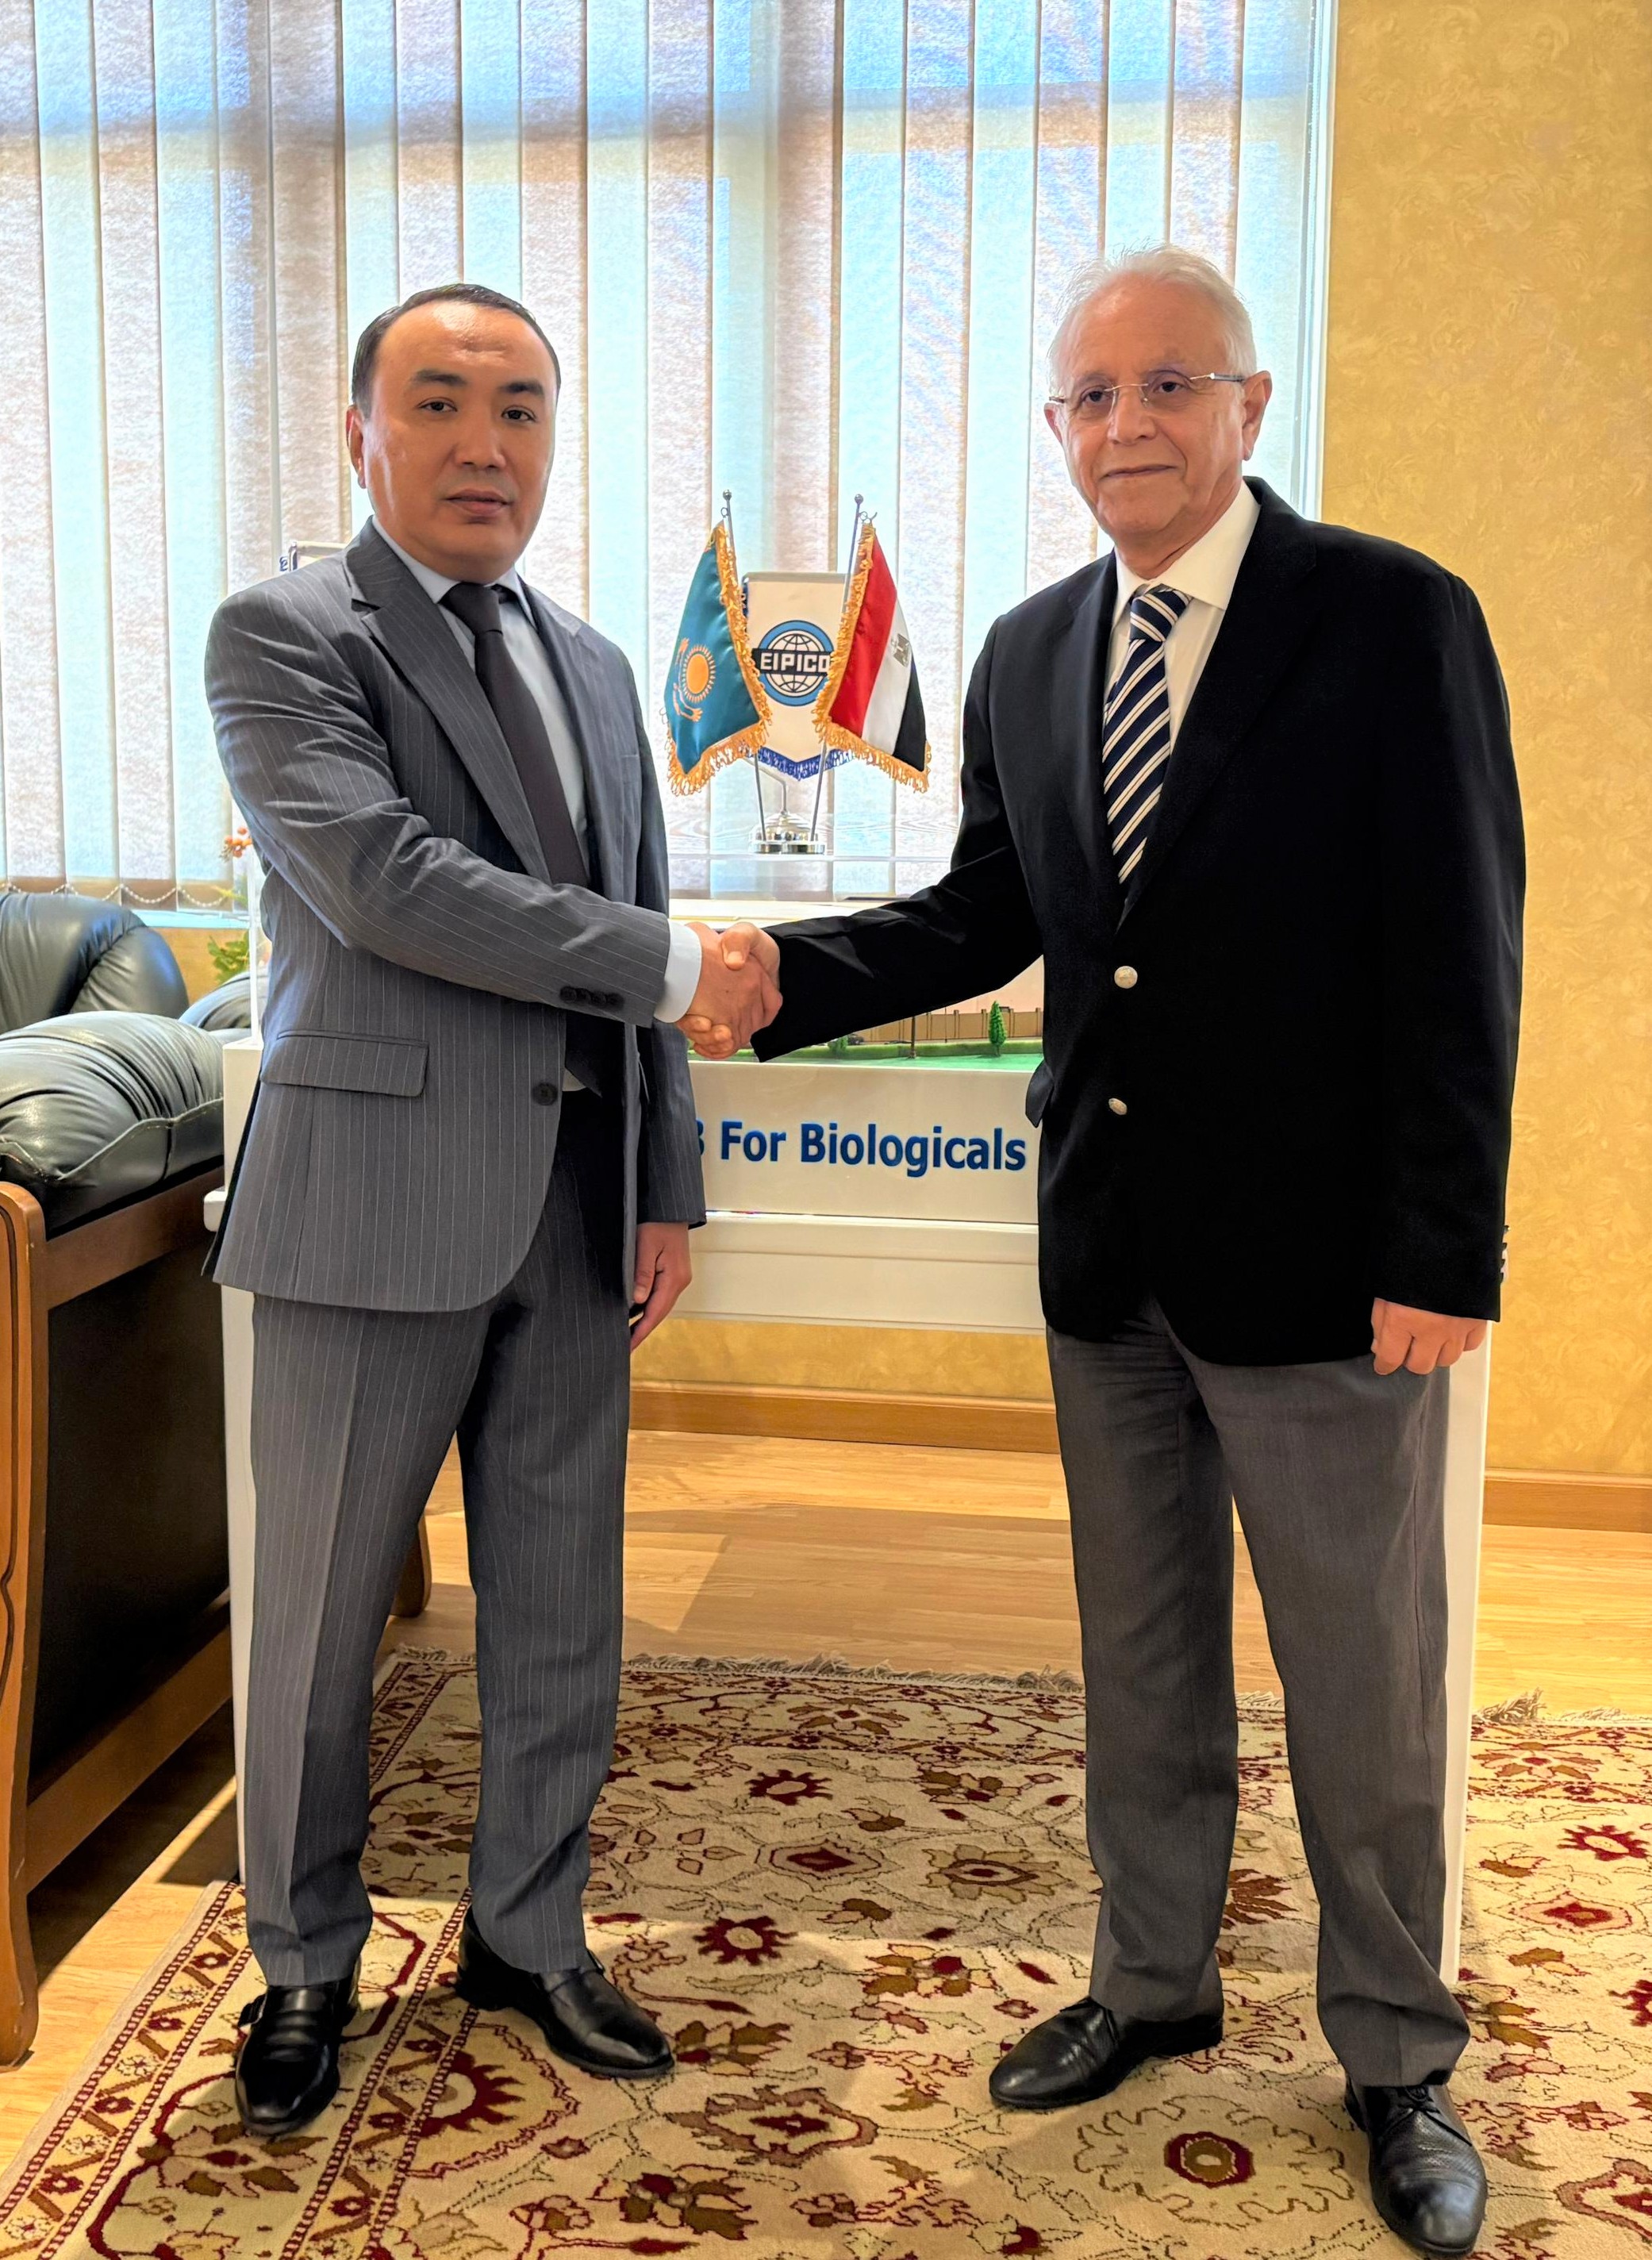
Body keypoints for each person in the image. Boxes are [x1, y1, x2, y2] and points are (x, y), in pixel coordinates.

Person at [701, 247, 1523, 2258]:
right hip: (1111, 1258)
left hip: (1329, 1273)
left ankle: (1397, 2051)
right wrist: (776, 972)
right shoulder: (1027, 648)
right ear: (1056, 430)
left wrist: (1444, 1248)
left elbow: (1461, 949)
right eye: (1090, 395)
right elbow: (986, 913)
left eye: (1169, 385)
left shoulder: (1392, 616)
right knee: (1142, 1657)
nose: (1127, 424)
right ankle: (1153, 1980)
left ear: (1249, 405)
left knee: (1363, 1680)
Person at [206, 281, 777, 2142]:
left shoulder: (597, 664)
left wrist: (667, 1176)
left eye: (521, 407)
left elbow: (641, 922)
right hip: (370, 1203)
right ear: (358, 433)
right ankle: (303, 1958)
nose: (484, 443)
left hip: (578, 1206)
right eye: (439, 402)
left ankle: (528, 1931)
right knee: (316, 1622)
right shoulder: (285, 631)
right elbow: (387, 881)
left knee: (561, 1600)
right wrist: (673, 960)